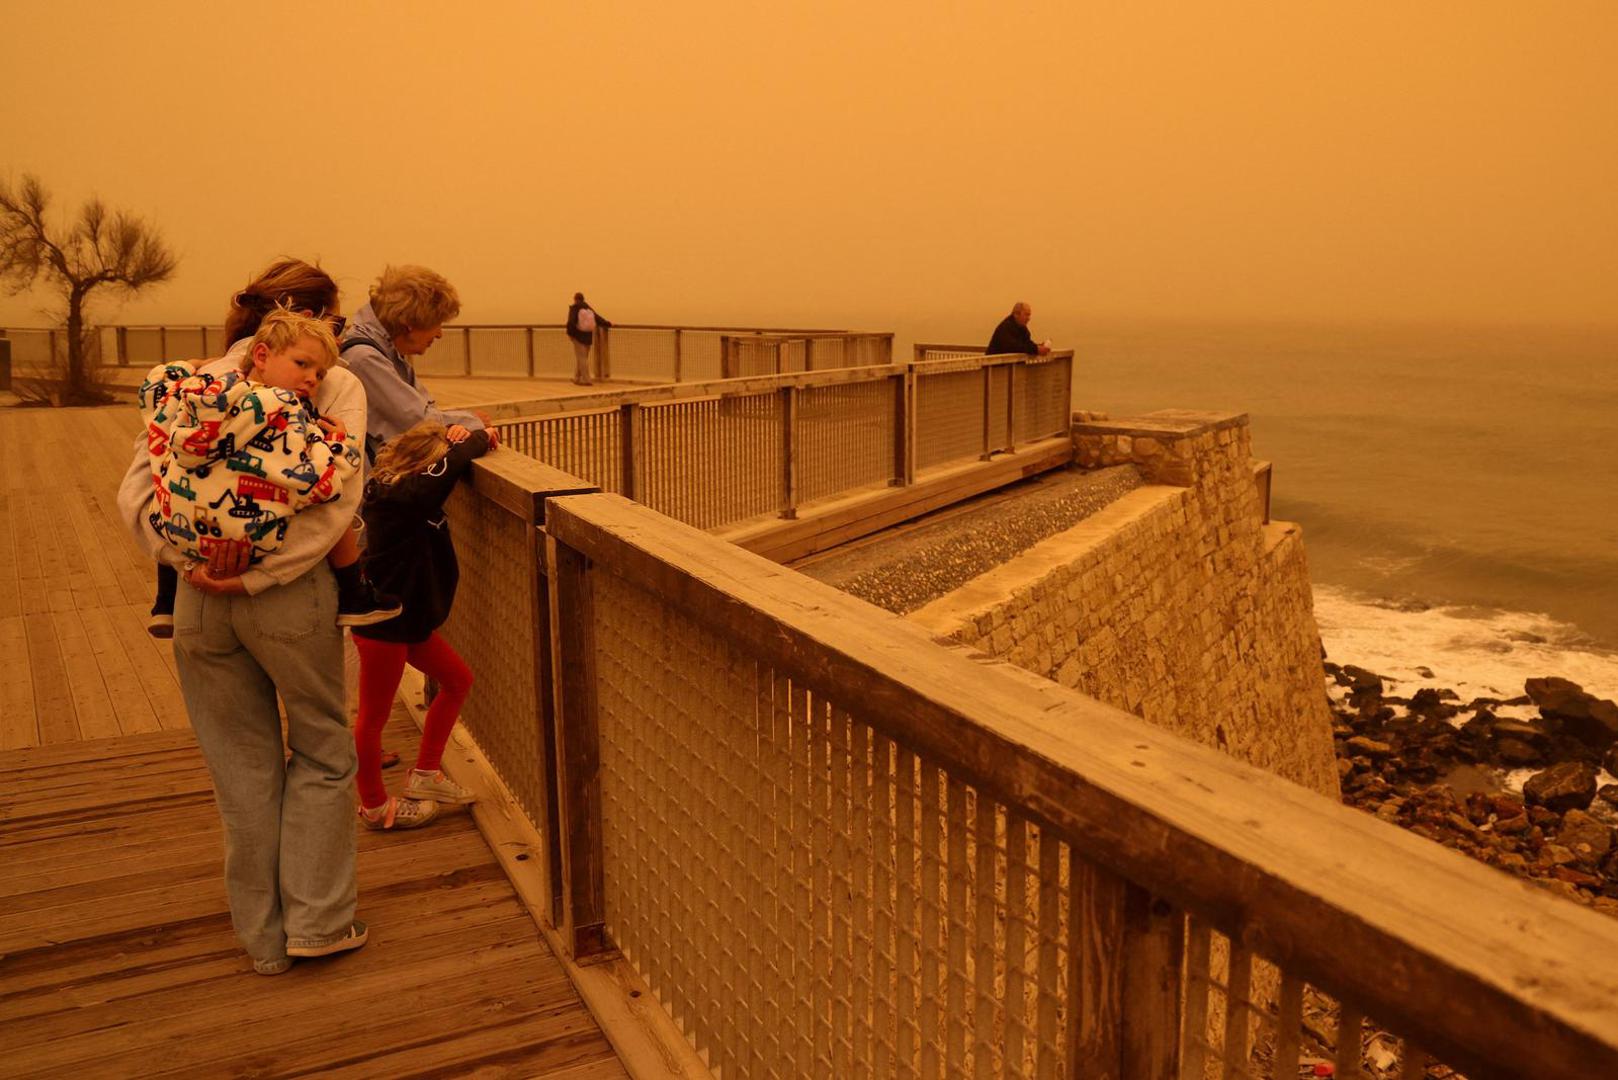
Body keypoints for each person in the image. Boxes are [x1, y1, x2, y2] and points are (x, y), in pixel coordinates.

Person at [117, 258, 369, 975]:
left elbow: (137, 491)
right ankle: (318, 924)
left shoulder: (195, 383)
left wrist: (188, 563)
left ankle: (262, 941)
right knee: (323, 751)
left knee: (240, 766)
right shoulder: (335, 383)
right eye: (332, 319)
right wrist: (257, 574)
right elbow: (337, 504)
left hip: (197, 598)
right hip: (286, 596)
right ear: (306, 318)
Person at [139, 309, 399, 629]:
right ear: (261, 355)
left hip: (180, 538)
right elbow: (319, 484)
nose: (312, 379)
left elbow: (153, 390)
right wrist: (339, 445)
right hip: (250, 541)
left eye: (320, 375)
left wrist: (189, 365)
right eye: (302, 364)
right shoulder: (286, 412)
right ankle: (355, 594)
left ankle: (165, 600)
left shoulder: (197, 397)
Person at [350, 420, 491, 830]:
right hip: (384, 626)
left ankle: (426, 774)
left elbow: (443, 470)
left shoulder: (397, 491)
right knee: (372, 719)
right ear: (425, 465)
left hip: (407, 621)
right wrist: (477, 438)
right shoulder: (403, 497)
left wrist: (458, 434)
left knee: (458, 680)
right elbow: (449, 468)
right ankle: (374, 807)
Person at [339, 265, 496, 461]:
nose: (439, 334)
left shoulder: (384, 351)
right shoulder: (364, 359)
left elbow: (424, 412)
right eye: (437, 322)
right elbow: (417, 424)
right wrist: (474, 421)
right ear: (410, 322)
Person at [566, 292, 611, 385]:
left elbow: (571, 322)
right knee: (583, 358)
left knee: (581, 359)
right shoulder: (588, 308)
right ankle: (577, 378)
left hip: (578, 337)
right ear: (583, 299)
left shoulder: (574, 308)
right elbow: (598, 318)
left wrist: (570, 334)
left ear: (575, 299)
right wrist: (608, 323)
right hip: (588, 336)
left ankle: (586, 380)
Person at [985, 301, 1052, 357]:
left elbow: (1026, 343)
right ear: (1016, 314)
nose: (1028, 318)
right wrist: (1036, 349)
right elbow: (1013, 347)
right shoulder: (1005, 327)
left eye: (1029, 315)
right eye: (1026, 315)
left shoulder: (1022, 329)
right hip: (993, 366)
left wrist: (1038, 347)